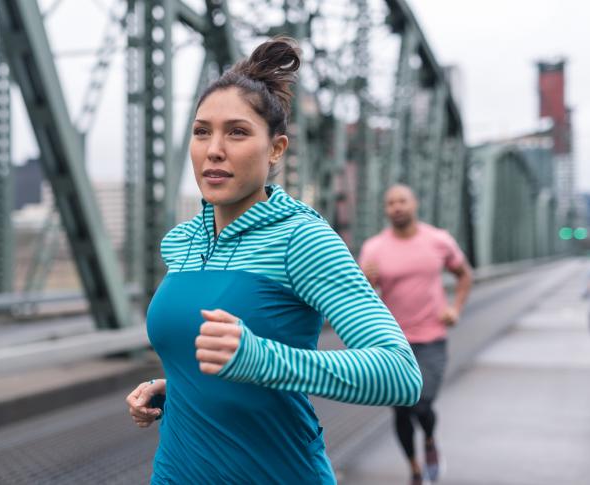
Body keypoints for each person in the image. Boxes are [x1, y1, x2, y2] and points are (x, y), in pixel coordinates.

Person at [125, 37, 423, 484]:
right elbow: (217, 363)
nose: (214, 149)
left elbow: (399, 374)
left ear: (277, 149)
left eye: (237, 132)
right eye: (202, 131)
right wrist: (178, 390)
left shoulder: (301, 238)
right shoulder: (182, 243)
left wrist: (262, 360)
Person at [359, 184, 473, 485]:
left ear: (414, 204)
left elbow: (464, 275)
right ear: (386, 209)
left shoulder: (438, 240)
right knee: (401, 408)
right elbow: (361, 300)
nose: (396, 207)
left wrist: (456, 308)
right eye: (390, 202)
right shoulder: (373, 249)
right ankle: (415, 469)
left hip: (432, 337)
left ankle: (431, 441)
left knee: (421, 402)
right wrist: (367, 282)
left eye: (402, 201)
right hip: (391, 342)